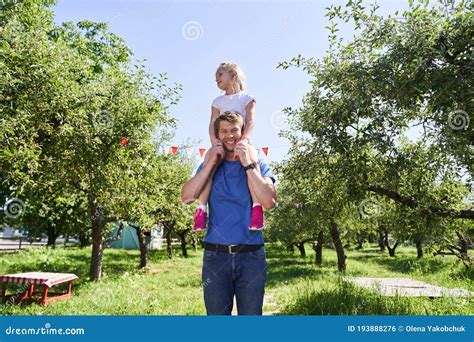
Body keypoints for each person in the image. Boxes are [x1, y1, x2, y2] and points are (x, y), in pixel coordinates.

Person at [181, 111, 277, 315]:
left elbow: (269, 201)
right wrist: (211, 164)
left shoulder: (259, 163)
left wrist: (248, 165)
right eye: (224, 131)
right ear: (217, 135)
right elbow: (187, 197)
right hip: (215, 256)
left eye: (234, 130)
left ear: (242, 133)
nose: (230, 135)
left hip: (251, 255)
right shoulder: (209, 165)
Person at [193, 62, 264, 232]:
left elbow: (251, 122)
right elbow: (212, 124)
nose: (216, 79)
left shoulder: (247, 98)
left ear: (233, 75)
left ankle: (257, 208)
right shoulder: (218, 101)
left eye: (220, 75)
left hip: (240, 140)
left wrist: (244, 140)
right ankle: (201, 210)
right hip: (221, 141)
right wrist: (214, 142)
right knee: (208, 162)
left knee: (252, 160)